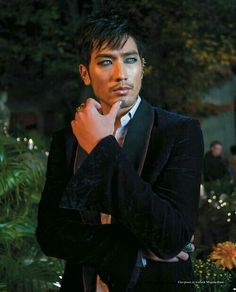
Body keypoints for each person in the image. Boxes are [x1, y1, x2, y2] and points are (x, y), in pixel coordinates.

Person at [36, 12, 204, 292]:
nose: (121, 74)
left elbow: (171, 237)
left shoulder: (179, 132)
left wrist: (102, 148)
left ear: (142, 67)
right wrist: (131, 249)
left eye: (130, 59)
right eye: (105, 62)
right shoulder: (67, 139)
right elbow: (51, 234)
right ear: (85, 73)